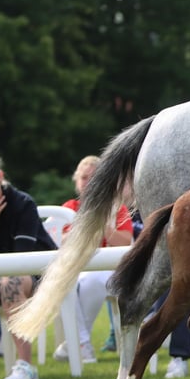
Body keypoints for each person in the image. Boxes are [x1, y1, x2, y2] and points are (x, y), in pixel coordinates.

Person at [0, 149, 57, 379]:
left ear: (1, 175)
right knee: (4, 281)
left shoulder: (22, 203)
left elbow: (21, 259)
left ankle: (26, 367)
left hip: (39, 277)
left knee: (10, 281)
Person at [53, 156, 133, 364]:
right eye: (83, 177)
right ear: (76, 181)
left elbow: (125, 243)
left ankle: (77, 343)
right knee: (61, 282)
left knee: (94, 280)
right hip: (76, 269)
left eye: (93, 177)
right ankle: (82, 343)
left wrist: (104, 224)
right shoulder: (68, 208)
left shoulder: (117, 208)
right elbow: (60, 241)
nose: (87, 182)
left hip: (108, 270)